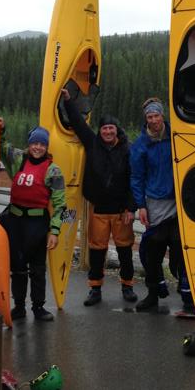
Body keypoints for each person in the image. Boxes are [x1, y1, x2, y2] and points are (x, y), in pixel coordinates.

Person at [130, 96, 195, 314]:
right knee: (151, 251)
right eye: (149, 117)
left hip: (180, 204)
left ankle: (188, 297)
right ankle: (153, 293)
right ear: (145, 119)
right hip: (155, 203)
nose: (153, 120)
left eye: (156, 115)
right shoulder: (140, 145)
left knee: (183, 252)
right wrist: (140, 205)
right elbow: (137, 177)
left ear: (163, 115)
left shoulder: (178, 136)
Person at [60, 87, 137, 306]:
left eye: (111, 128)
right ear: (100, 130)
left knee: (124, 251)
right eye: (104, 128)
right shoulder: (92, 143)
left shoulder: (128, 149)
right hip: (98, 208)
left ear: (117, 130)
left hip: (121, 210)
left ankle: (127, 285)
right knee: (96, 251)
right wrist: (68, 101)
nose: (108, 132)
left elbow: (134, 180)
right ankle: (95, 288)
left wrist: (131, 207)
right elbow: (77, 123)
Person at [0, 119, 68, 321]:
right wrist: (0, 129)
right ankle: (19, 307)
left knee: (37, 269)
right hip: (15, 223)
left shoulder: (53, 171)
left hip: (37, 225)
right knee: (17, 269)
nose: (38, 147)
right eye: (35, 143)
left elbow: (60, 205)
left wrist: (54, 231)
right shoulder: (19, 160)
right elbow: (2, 148)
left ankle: (38, 307)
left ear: (46, 147)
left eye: (42, 144)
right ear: (29, 144)